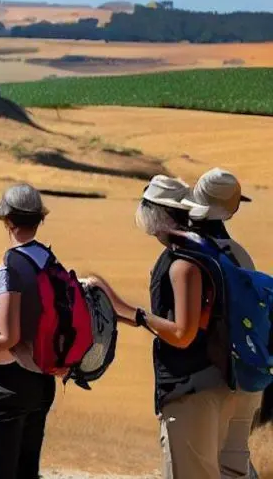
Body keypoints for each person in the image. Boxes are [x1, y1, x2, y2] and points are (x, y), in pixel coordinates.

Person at [95, 175, 233, 479]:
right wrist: (117, 308)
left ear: (156, 214)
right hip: (205, 386)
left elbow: (183, 334)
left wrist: (138, 314)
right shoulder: (198, 252)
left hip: (190, 393)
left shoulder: (183, 263)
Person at [0, 183, 57, 479]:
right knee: (28, 469)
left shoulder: (10, 267)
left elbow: (9, 336)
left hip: (8, 385)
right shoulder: (50, 261)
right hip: (43, 380)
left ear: (7, 220)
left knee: (1, 471)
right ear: (39, 218)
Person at [182, 168, 261, 479]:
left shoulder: (186, 254)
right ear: (231, 208)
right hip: (245, 374)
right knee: (234, 460)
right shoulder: (241, 255)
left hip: (204, 377)